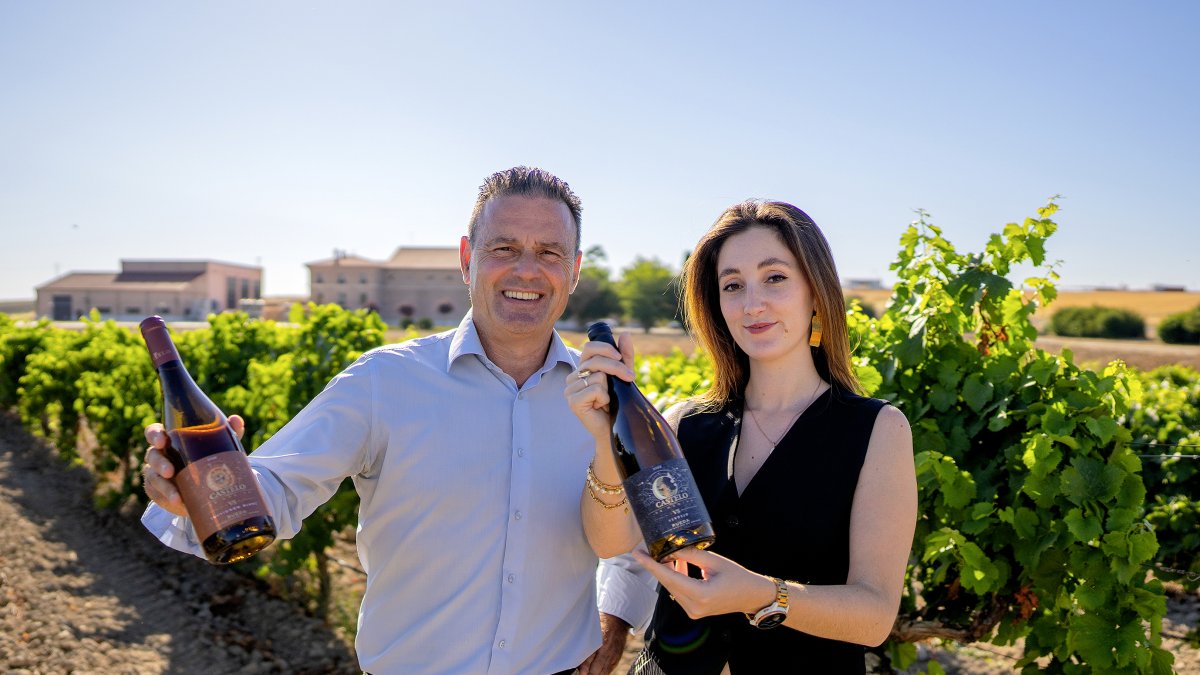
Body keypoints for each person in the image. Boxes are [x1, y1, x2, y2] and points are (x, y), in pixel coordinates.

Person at [141, 167, 657, 675]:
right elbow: (278, 482)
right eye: (504, 248)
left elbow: (633, 534)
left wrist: (614, 626)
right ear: (466, 259)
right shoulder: (383, 382)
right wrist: (198, 496)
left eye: (549, 252)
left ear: (574, 270)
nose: (527, 269)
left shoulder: (610, 397)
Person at [567, 199, 918, 673]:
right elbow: (611, 544)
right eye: (732, 285)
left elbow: (874, 616)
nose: (752, 304)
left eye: (775, 277)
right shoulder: (682, 424)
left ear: (815, 291)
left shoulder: (877, 430)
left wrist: (761, 595)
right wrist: (606, 437)